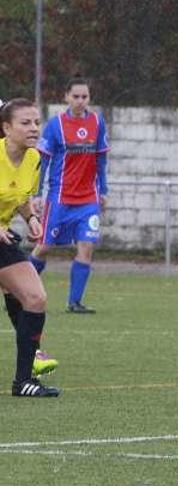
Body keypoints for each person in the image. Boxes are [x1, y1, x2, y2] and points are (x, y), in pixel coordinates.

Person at [30, 75, 110, 314]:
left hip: (88, 200)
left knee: (86, 247)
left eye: (84, 96)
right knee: (44, 247)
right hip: (60, 199)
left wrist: (103, 190)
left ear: (89, 98)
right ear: (66, 97)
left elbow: (101, 159)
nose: (80, 101)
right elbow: (42, 161)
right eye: (75, 96)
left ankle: (74, 302)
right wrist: (36, 194)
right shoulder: (56, 125)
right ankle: (19, 289)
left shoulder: (97, 122)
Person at [0, 98, 61, 397]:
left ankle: (24, 381)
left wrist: (32, 218)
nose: (34, 128)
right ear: (6, 128)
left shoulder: (33, 158)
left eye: (36, 122)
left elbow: (22, 197)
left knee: (34, 298)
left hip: (3, 237)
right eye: (25, 123)